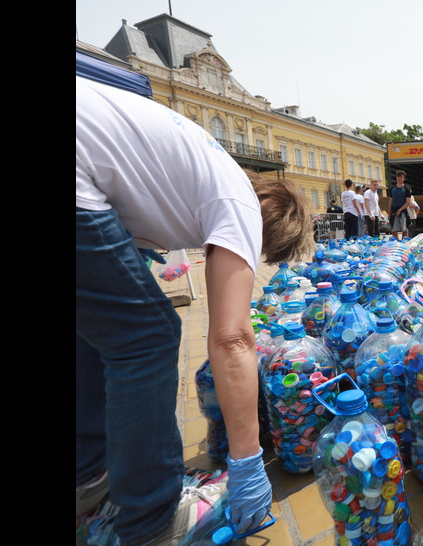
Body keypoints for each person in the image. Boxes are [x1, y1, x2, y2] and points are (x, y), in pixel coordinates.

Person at [77, 76, 311, 544]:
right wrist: (246, 464)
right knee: (148, 337)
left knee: (98, 332)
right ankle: (152, 519)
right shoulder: (238, 202)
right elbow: (232, 338)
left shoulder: (201, 170)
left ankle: (91, 479)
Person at [388, 170, 412, 241]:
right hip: (394, 211)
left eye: (401, 177)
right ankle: (396, 243)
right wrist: (389, 213)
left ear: (404, 179)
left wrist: (400, 210)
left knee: (404, 230)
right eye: (398, 177)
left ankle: (404, 244)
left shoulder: (406, 189)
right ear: (396, 178)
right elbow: (390, 201)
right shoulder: (392, 189)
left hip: (403, 211)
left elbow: (408, 202)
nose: (400, 178)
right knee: (394, 229)